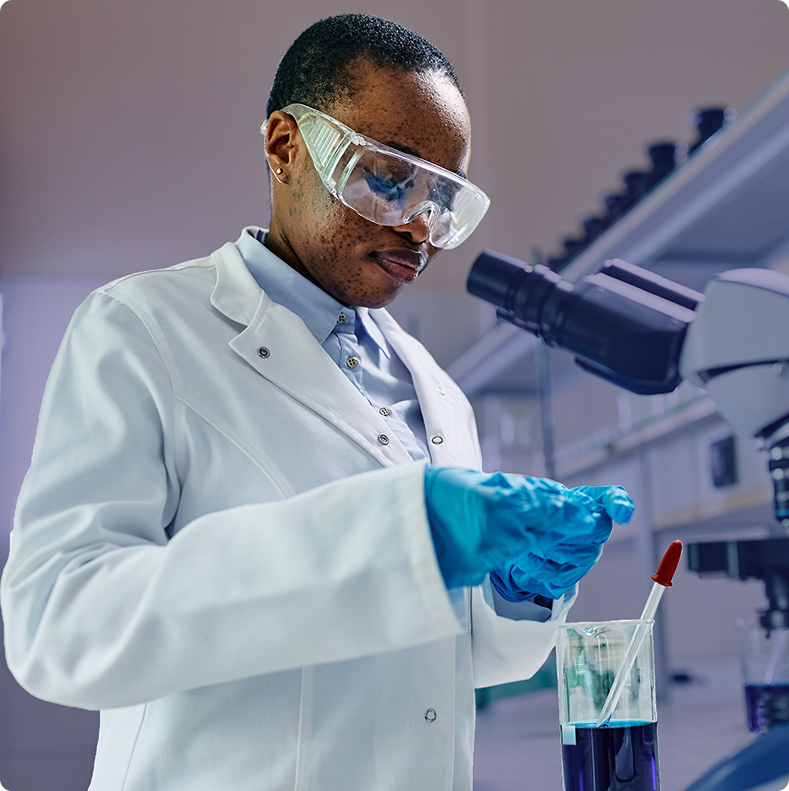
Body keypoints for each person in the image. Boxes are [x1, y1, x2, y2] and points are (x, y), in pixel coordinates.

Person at [0, 14, 633, 791]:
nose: (417, 227)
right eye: (390, 178)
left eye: (442, 198)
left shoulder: (435, 391)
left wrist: (520, 594)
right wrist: (387, 537)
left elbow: (453, 661)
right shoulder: (141, 329)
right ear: (283, 147)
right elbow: (58, 629)